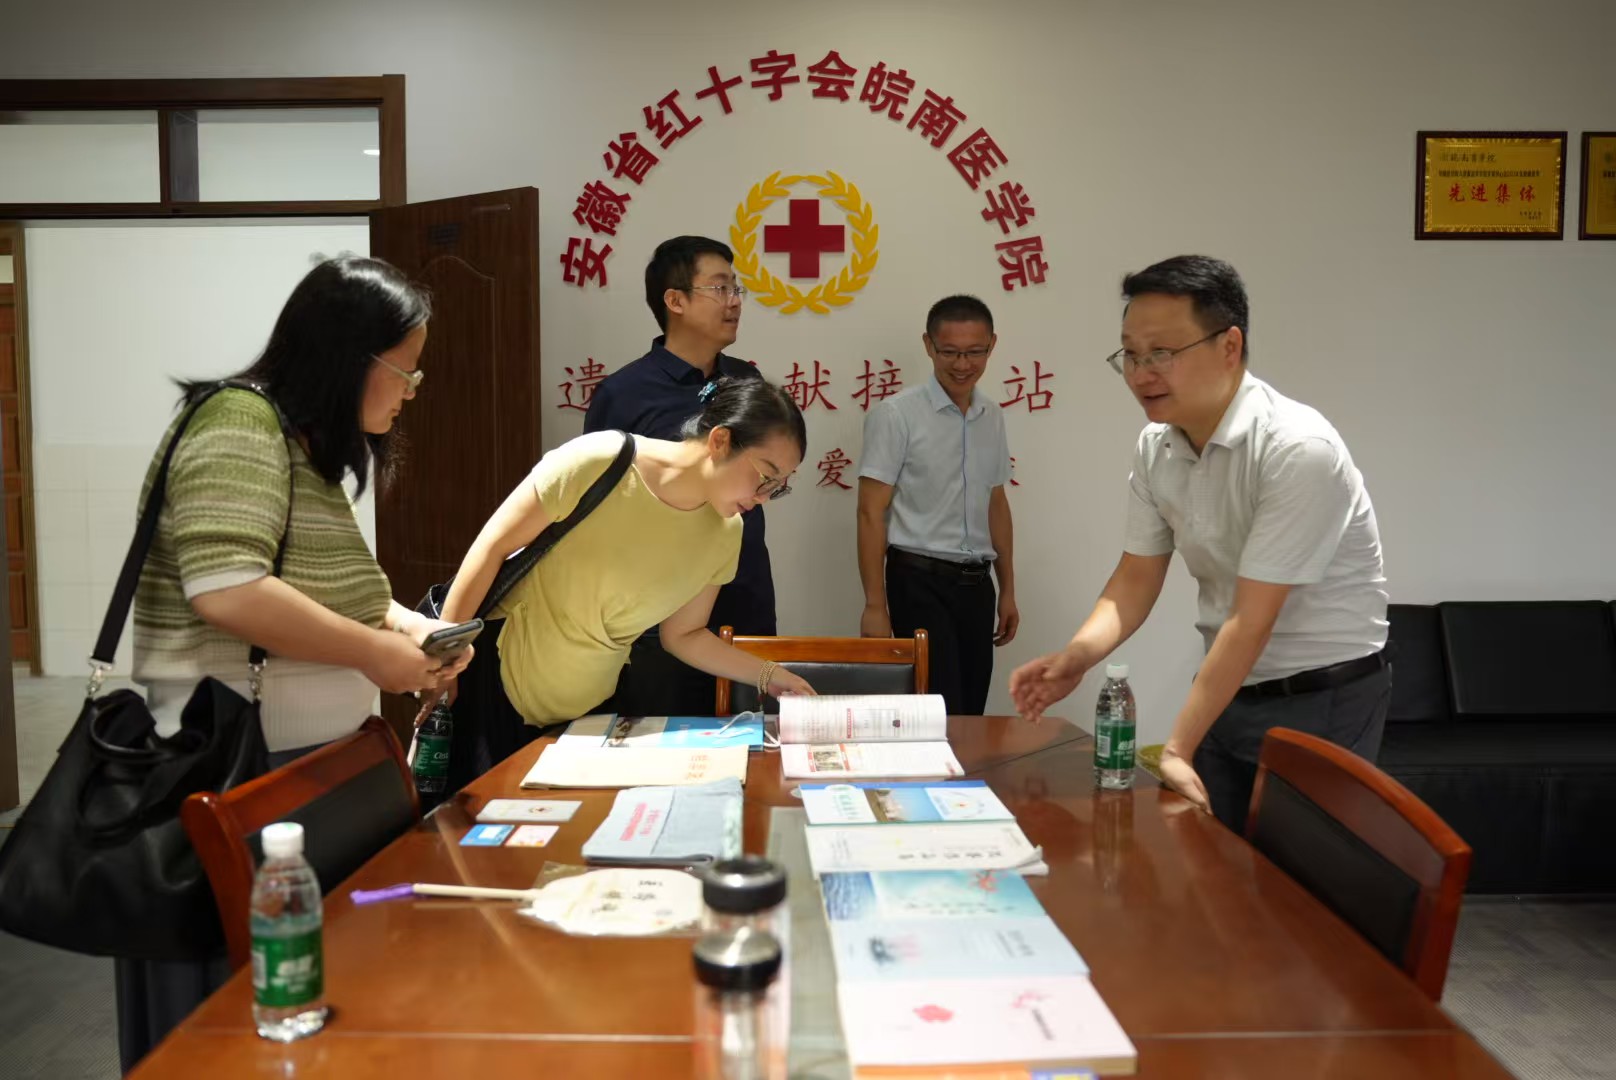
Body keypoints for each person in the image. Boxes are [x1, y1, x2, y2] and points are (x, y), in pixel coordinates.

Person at [121, 255, 471, 1071]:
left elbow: (344, 594)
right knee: (240, 1009)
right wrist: (378, 654)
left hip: (306, 762)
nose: (410, 393)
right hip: (235, 763)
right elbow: (228, 588)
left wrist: (415, 629)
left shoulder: (300, 448)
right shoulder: (236, 421)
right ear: (351, 357)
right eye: (406, 372)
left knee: (315, 986)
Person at [1010, 255, 1389, 833]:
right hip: (1227, 688)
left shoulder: (1297, 448)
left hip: (1322, 696)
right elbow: (1137, 575)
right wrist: (1078, 656)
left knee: (1300, 878)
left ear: (1229, 346)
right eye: (1130, 355)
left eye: (1161, 353)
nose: (1141, 374)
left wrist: (1178, 747)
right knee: (1216, 864)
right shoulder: (1157, 447)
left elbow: (1252, 618)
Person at [441, 377, 815, 735]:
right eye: (765, 476)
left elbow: (683, 635)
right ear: (720, 440)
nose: (765, 497)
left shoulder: (726, 532)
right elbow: (492, 548)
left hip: (589, 712)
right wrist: (442, 661)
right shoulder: (600, 461)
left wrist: (771, 675)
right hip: (497, 686)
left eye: (778, 488)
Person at [583, 236, 775, 717]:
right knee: (663, 737)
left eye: (736, 289)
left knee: (753, 734)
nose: (735, 301)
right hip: (657, 608)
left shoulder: (748, 384)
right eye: (720, 288)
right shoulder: (624, 394)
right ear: (675, 300)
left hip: (743, 591)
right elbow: (599, 509)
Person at [857, 295, 1019, 716]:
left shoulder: (991, 416)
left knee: (970, 712)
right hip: (918, 582)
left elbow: (996, 503)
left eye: (975, 352)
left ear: (992, 345)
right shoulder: (896, 415)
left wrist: (1007, 590)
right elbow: (870, 512)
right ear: (928, 345)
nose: (962, 364)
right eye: (950, 352)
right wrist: (875, 605)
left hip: (977, 586)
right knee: (934, 713)